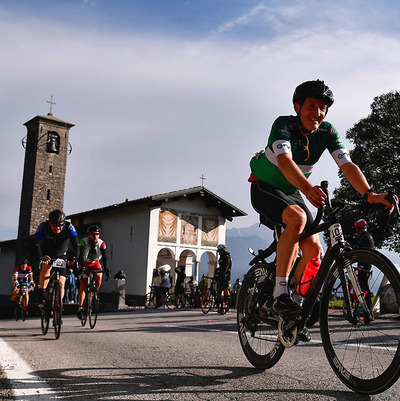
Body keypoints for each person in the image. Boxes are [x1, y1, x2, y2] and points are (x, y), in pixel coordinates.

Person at [248, 80, 393, 340]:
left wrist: (369, 194)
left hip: (292, 191)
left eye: (323, 108)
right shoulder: (283, 124)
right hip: (265, 186)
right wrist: (307, 189)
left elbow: (347, 165)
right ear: (297, 106)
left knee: (315, 249)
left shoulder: (327, 131)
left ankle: (295, 303)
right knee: (298, 218)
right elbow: (284, 160)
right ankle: (280, 294)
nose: (317, 112)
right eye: (311, 106)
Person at [34, 209, 79, 308]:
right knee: (46, 267)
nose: (58, 228)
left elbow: (76, 244)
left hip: (61, 255)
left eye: (60, 225)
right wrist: (41, 257)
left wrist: (74, 257)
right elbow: (37, 245)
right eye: (55, 225)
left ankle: (58, 307)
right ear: (50, 223)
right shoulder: (43, 227)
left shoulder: (69, 227)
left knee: (62, 284)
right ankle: (42, 292)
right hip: (47, 254)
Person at [77, 225, 110, 319]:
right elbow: (81, 256)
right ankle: (80, 307)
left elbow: (104, 256)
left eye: (97, 234)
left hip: (95, 262)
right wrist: (82, 267)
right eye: (93, 234)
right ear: (89, 235)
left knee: (99, 275)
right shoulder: (84, 242)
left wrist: (106, 268)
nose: (95, 236)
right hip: (85, 262)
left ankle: (94, 293)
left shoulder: (101, 243)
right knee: (83, 284)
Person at [354, 219, 375, 310]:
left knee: (363, 286)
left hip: (364, 265)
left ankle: (368, 307)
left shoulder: (364, 237)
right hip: (367, 263)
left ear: (359, 228)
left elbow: (358, 249)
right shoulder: (367, 236)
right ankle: (366, 306)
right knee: (363, 285)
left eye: (356, 229)